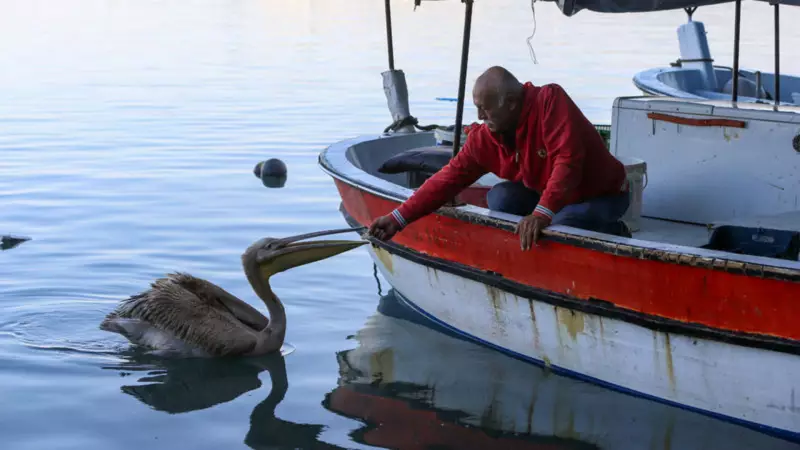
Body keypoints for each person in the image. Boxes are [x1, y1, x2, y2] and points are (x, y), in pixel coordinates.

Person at [368, 66, 631, 250]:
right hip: (551, 196)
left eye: (486, 108)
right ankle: (521, 252)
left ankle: (615, 233)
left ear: (513, 102)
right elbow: (447, 179)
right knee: (500, 197)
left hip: (601, 195)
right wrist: (397, 219)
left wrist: (541, 214)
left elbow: (568, 161)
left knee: (563, 226)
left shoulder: (550, 101)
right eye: (477, 108)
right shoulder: (485, 138)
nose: (481, 116)